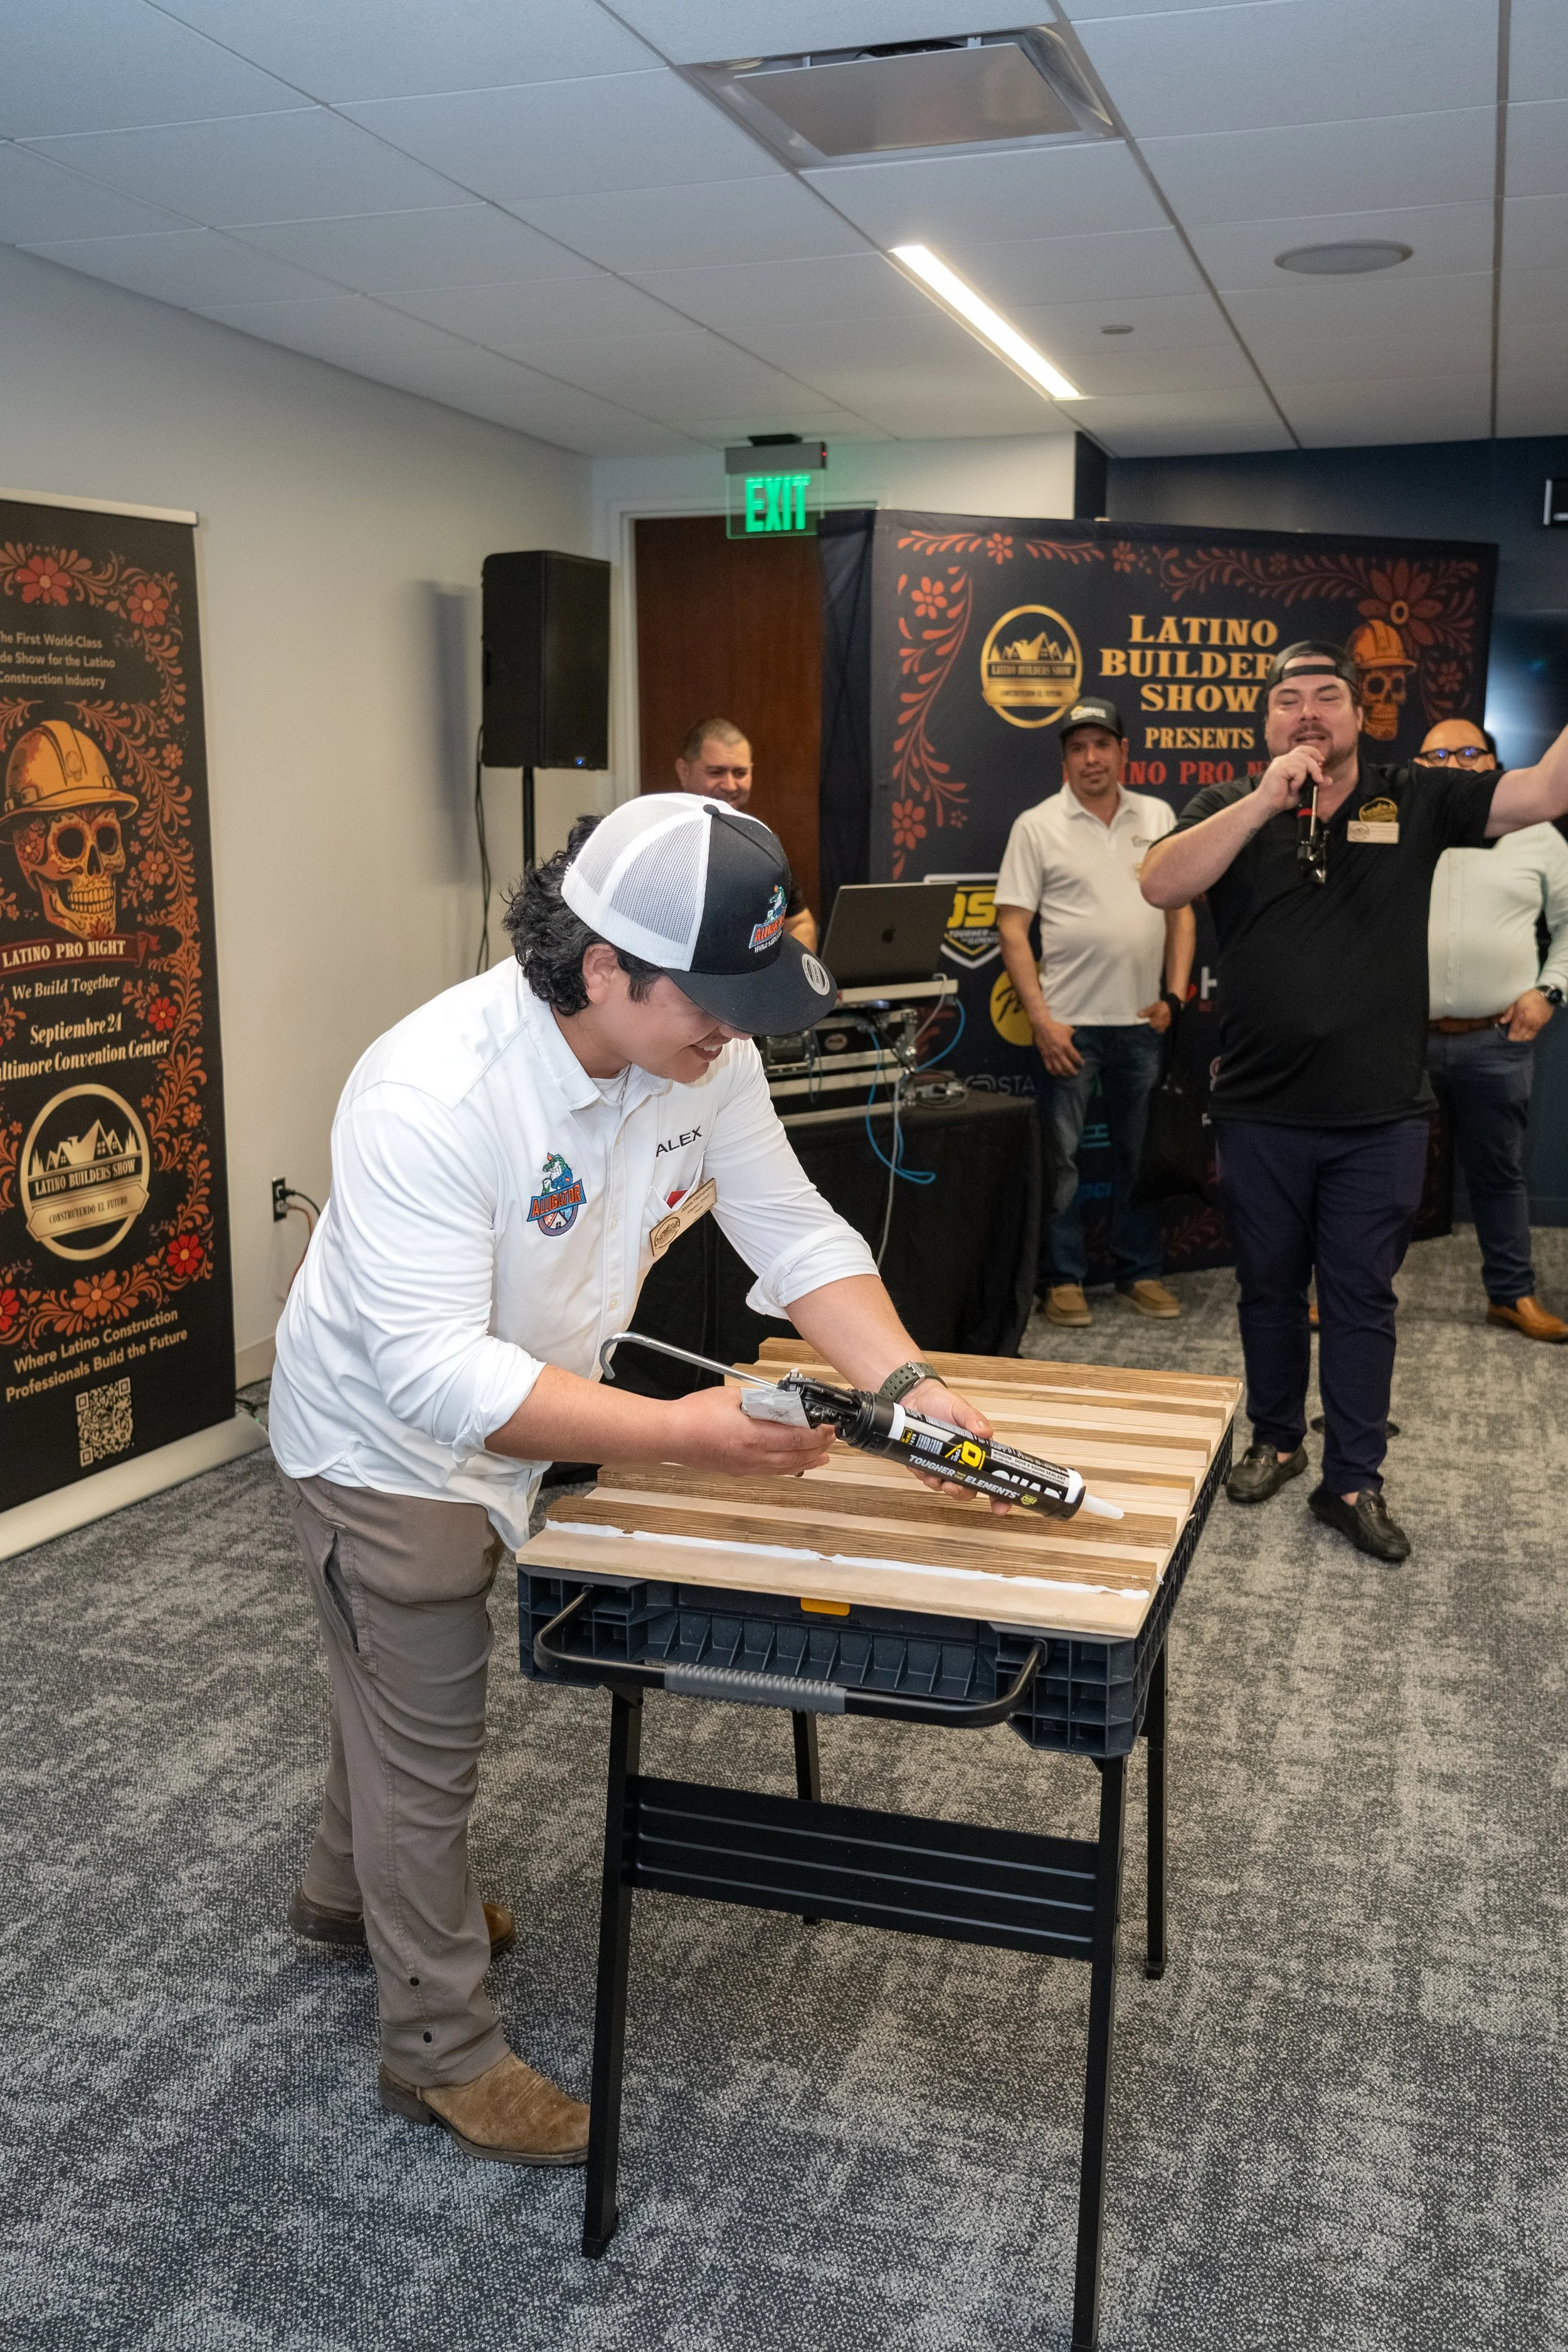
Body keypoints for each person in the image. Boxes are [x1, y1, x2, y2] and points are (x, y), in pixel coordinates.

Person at [268, 793, 999, 2166]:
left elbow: (791, 1227)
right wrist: (687, 1432)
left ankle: (337, 1892)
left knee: (380, 1679)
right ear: (602, 968)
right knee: (428, 1721)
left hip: (532, 1398)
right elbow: (437, 1379)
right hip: (388, 1441)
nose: (735, 1030)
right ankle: (439, 2049)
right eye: (713, 999)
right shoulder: (431, 1090)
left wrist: (908, 1386)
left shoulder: (697, 1053)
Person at [1141, 642, 1568, 1563]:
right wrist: (1264, 799)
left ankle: (1354, 1478)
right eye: (1288, 699)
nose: (1307, 712)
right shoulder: (1230, 804)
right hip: (1258, 1109)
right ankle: (1276, 1438)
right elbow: (1159, 883)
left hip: (1380, 1115)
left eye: (1327, 696)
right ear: (1266, 726)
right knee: (1266, 1288)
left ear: (1357, 716)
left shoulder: (1410, 794)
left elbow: (1543, 793)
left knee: (1363, 1298)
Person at [994, 695, 1196, 1328]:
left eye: (1101, 744)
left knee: (1143, 1156)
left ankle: (1141, 1271)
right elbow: (1010, 928)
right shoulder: (1036, 825)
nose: (1090, 758)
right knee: (1062, 1162)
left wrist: (1175, 995)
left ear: (1122, 752)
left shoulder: (1157, 814)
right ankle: (1063, 1279)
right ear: (1064, 760)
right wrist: (1042, 1020)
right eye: (1077, 748)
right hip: (1069, 1027)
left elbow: (1181, 909)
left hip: (1142, 1023)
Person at [1420, 716, 1568, 1342]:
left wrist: (1549, 990)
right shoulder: (1394, 828)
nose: (1452, 764)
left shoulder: (1536, 834)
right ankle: (1346, 1292)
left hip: (1496, 1039)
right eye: (1436, 757)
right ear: (1417, 770)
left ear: (1493, 766)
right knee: (1367, 1175)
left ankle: (1509, 1296)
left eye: (1467, 752)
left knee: (1499, 1172)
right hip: (1399, 1038)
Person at [674, 717, 817, 949]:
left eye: (740, 773)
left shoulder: (764, 843)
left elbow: (800, 922)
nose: (730, 785)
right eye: (716, 772)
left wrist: (794, 981)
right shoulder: (657, 843)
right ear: (684, 771)